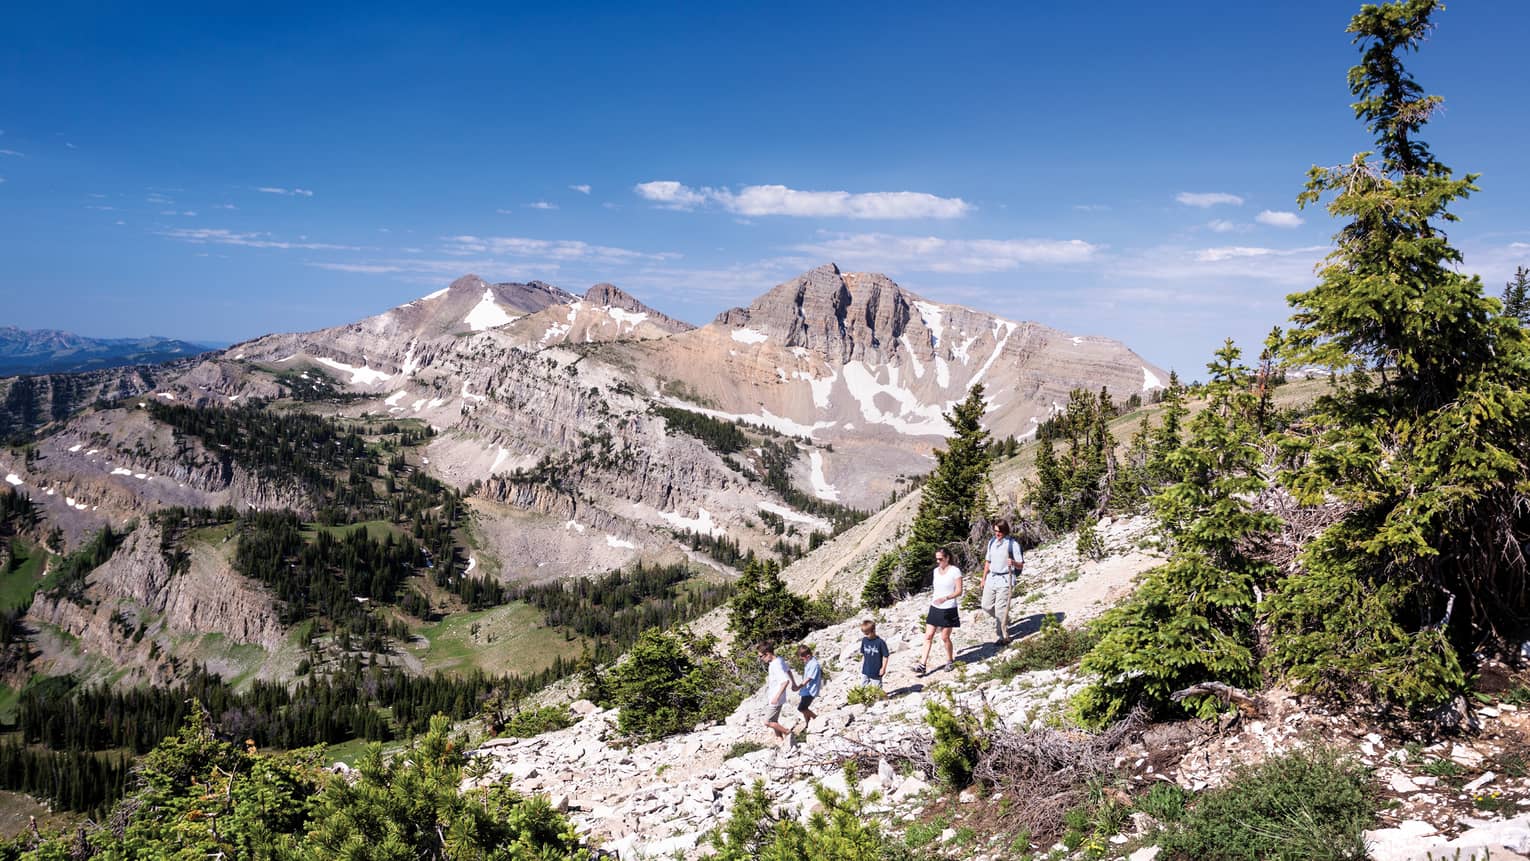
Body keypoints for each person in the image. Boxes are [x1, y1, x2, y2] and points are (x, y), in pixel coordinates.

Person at [914, 549, 962, 675]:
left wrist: (946, 598)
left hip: (948, 607)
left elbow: (959, 591)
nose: (938, 561)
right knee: (928, 635)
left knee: (945, 637)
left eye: (940, 559)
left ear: (947, 558)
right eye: (937, 559)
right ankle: (922, 664)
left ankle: (949, 660)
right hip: (935, 607)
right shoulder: (936, 571)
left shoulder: (955, 571)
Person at [980, 519, 1025, 645]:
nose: (997, 534)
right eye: (995, 531)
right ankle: (1005, 619)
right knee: (986, 605)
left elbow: (1021, 565)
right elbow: (988, 561)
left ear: (1005, 531)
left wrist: (1013, 562)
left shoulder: (1012, 544)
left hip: (1006, 580)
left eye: (999, 531)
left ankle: (1003, 637)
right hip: (992, 578)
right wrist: (983, 578)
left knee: (1000, 609)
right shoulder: (992, 542)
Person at [757, 640, 796, 746]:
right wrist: (794, 684)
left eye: (761, 656)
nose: (761, 659)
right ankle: (780, 740)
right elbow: (788, 671)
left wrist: (776, 697)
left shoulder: (775, 665)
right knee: (774, 720)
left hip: (776, 698)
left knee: (768, 722)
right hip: (775, 696)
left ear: (767, 654)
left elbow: (785, 681)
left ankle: (788, 732)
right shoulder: (779, 660)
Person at [793, 644, 823, 732]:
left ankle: (816, 718)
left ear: (808, 656)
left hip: (810, 691)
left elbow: (809, 678)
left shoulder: (814, 664)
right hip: (806, 690)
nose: (802, 661)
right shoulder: (809, 662)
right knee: (804, 708)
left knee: (801, 708)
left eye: (802, 659)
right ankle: (808, 724)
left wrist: (799, 687)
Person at [858, 620, 889, 687]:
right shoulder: (864, 640)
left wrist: (883, 668)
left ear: (873, 631)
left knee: (876, 688)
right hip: (865, 669)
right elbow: (863, 654)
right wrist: (861, 665)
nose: (866, 635)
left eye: (867, 633)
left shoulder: (880, 642)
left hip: (876, 670)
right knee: (862, 687)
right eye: (865, 634)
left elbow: (885, 656)